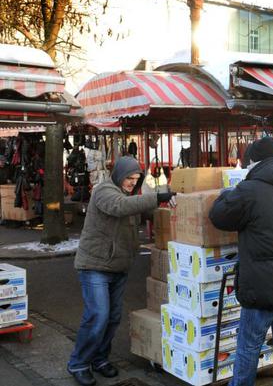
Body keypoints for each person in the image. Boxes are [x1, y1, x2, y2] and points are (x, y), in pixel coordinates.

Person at [210, 137, 273, 386]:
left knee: (249, 345)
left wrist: (225, 194)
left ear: (253, 162)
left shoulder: (248, 190)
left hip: (261, 286)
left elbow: (219, 217)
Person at [68, 156, 174, 386]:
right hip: (95, 265)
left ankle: (99, 358)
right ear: (119, 174)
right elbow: (119, 207)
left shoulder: (129, 197)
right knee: (98, 315)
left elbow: (141, 211)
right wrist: (157, 197)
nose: (131, 183)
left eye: (136, 179)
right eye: (129, 178)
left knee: (113, 317)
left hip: (119, 266)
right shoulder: (104, 190)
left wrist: (175, 206)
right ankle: (79, 363)